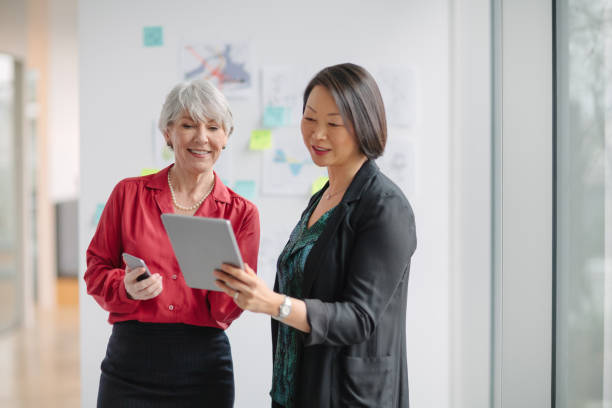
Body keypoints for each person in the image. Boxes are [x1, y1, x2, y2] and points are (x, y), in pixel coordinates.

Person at [215, 63, 417, 408]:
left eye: (334, 123)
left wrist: (273, 303)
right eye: (309, 119)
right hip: (296, 387)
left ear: (364, 126)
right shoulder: (323, 197)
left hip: (348, 395)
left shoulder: (385, 206)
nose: (317, 134)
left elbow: (359, 318)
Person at [84, 78, 260, 407]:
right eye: (188, 125)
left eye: (213, 127)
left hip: (204, 367)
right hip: (130, 362)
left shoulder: (242, 214)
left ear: (226, 136)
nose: (202, 138)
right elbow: (95, 271)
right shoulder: (128, 194)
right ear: (168, 132)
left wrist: (233, 287)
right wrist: (125, 287)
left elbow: (230, 309)